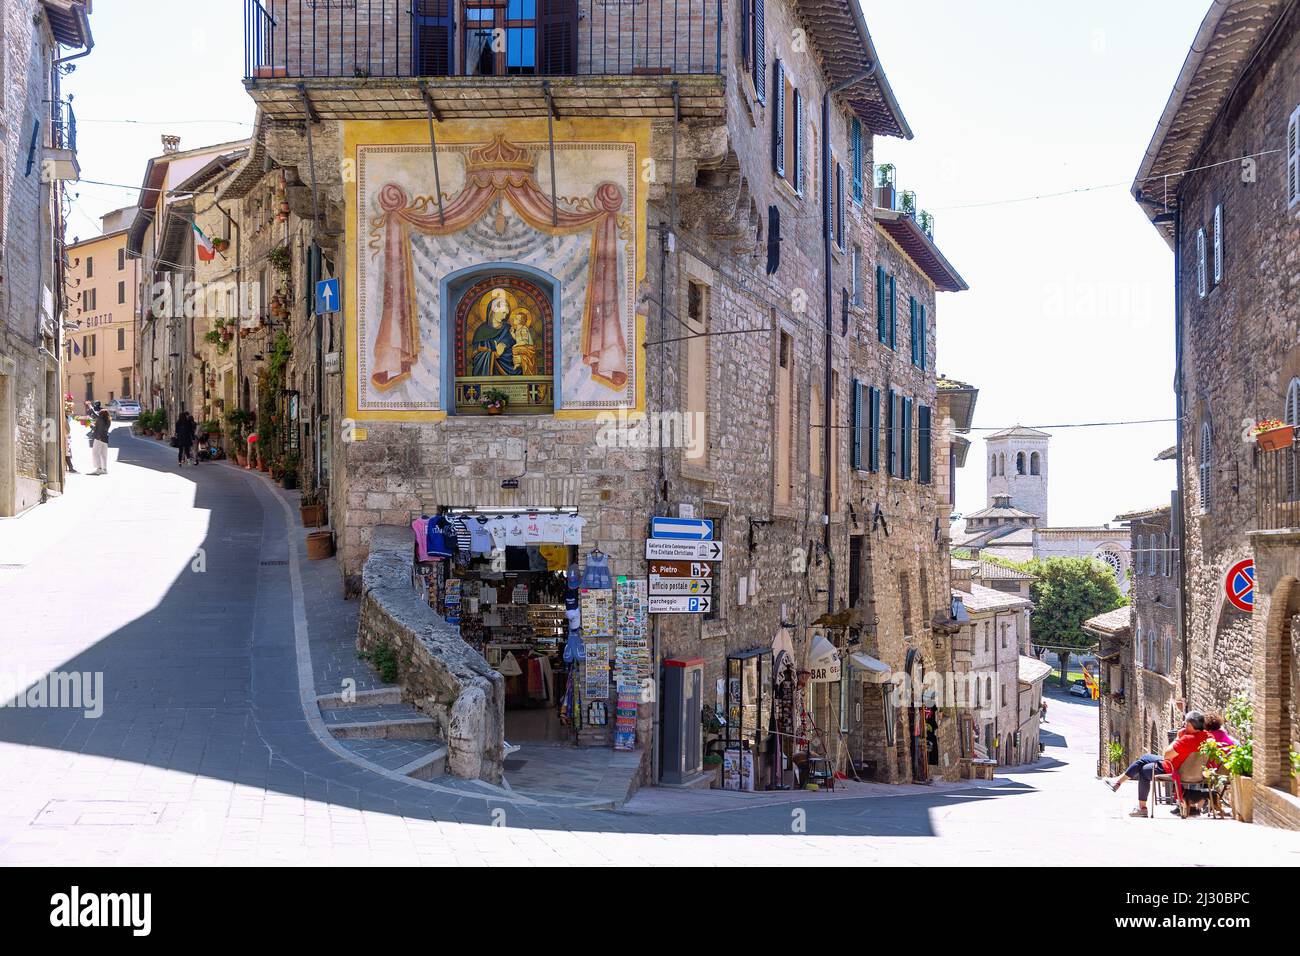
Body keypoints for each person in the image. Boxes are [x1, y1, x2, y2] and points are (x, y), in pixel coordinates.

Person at [1104, 711, 1210, 817]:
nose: (1184, 724)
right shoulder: (1208, 737)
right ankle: (1118, 782)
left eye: (1186, 723)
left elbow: (1166, 755)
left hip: (1172, 768)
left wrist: (1178, 737)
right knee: (1145, 758)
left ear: (1192, 726)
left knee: (1144, 770)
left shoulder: (1186, 739)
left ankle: (1142, 808)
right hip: (1195, 772)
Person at [89, 408, 111, 475]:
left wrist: (91, 408)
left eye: (100, 414)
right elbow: (101, 427)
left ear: (101, 415)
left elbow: (99, 428)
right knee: (104, 454)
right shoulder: (108, 420)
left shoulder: (101, 419)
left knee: (96, 453)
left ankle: (99, 468)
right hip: (105, 439)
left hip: (99, 438)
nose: (99, 415)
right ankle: (104, 469)